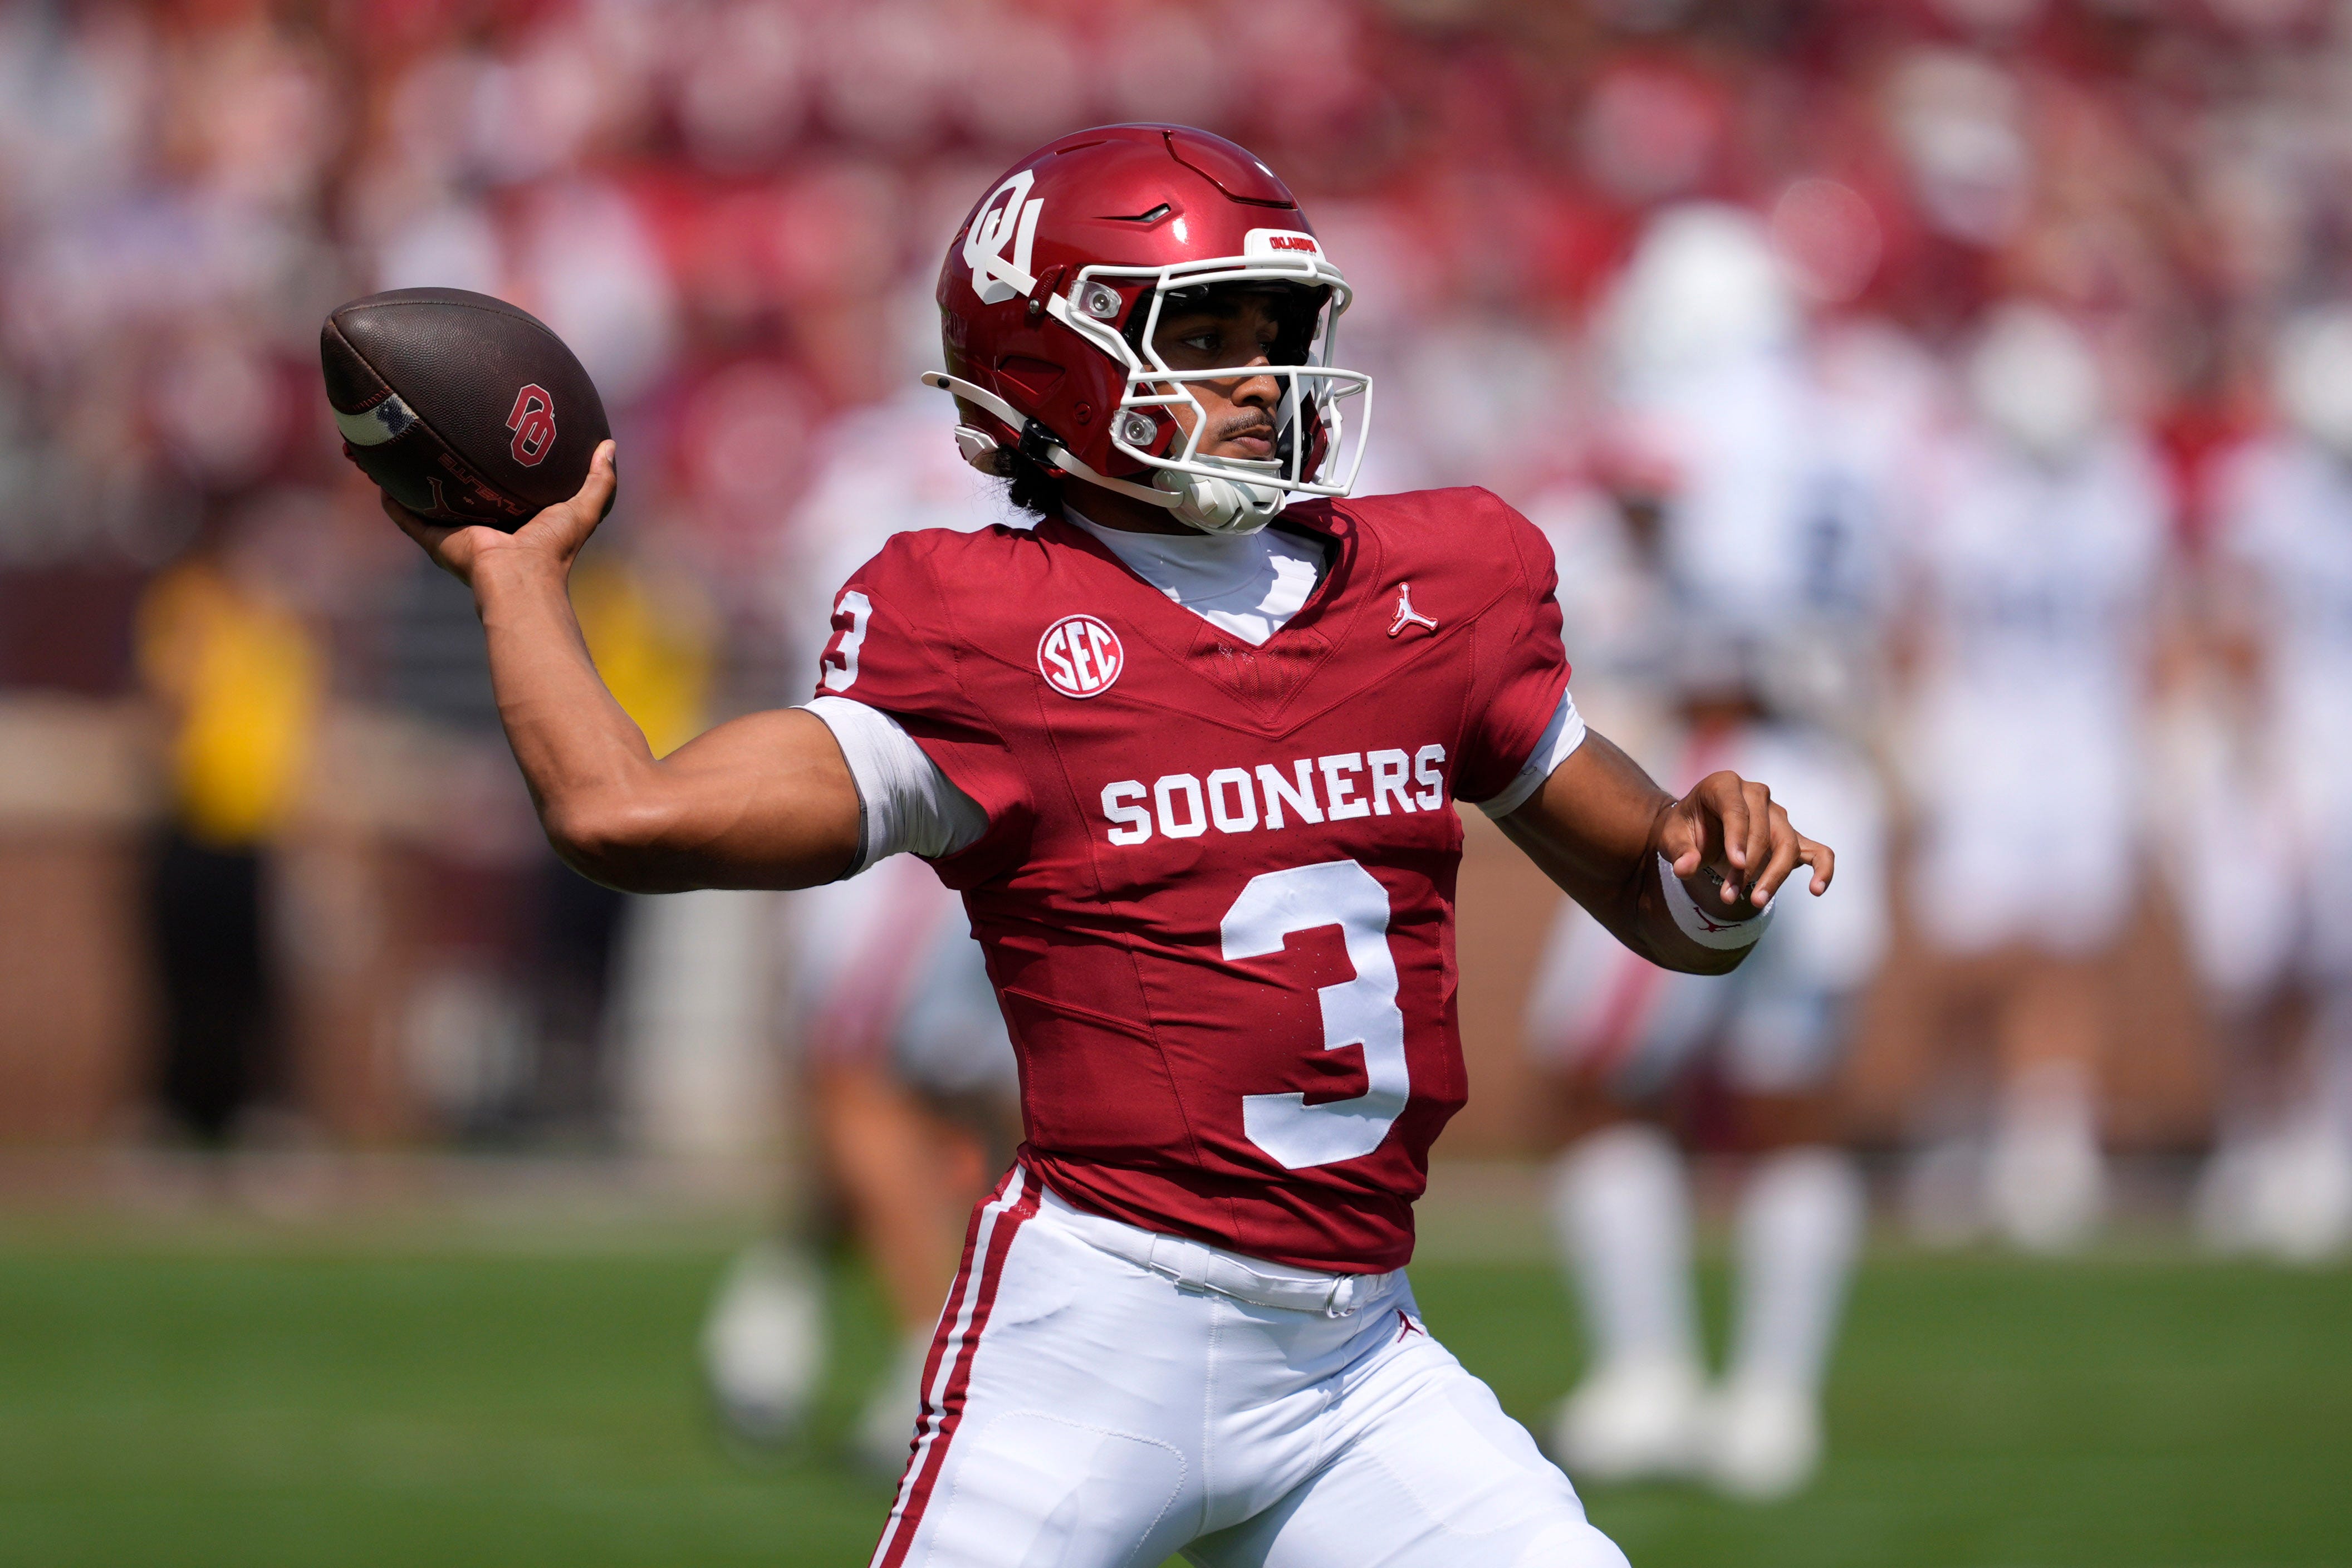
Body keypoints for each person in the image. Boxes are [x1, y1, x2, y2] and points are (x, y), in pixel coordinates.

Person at [379, 125, 1832, 1568]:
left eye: (1279, 329)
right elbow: (624, 817)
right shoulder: (981, 624)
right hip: (1094, 1344)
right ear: (1049, 361)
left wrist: (1713, 869)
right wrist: (517, 576)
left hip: (1355, 1363)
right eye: (1207, 334)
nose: (1265, 378)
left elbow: (1665, 907)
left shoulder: (1440, 586)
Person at [1523, 204, 1894, 1503]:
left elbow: (1635, 529)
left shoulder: (1701, 417)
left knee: (1590, 1073)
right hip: (1836, 768)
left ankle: (1652, 1377)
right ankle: (1773, 1406)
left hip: (1725, 772)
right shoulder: (1855, 421)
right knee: (1792, 1101)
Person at [1895, 301, 2167, 1252]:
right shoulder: (1958, 486)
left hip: (2082, 739)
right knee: (1970, 947)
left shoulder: (2118, 489)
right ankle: (1962, 1118)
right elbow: (1922, 616)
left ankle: (2048, 1137)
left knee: (2067, 946)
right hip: (1982, 738)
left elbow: (2143, 625)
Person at [2168, 307, 2352, 1261]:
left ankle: (2324, 1142)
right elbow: (2232, 619)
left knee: (2338, 966)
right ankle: (2254, 1133)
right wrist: (2252, 746)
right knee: (2254, 955)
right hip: (2289, 753)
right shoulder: (2268, 489)